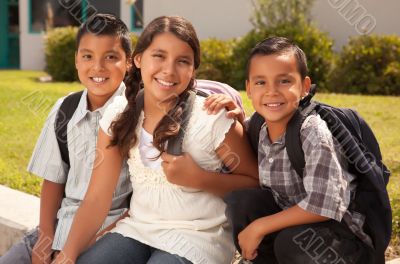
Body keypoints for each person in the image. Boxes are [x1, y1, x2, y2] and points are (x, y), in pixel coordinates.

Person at [53, 15, 258, 264]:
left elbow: (254, 184)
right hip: (138, 230)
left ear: (193, 69)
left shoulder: (211, 118)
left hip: (197, 238)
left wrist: (200, 179)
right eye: (159, 56)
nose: (169, 70)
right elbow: (97, 198)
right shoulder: (120, 113)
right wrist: (67, 254)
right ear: (138, 59)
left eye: (183, 61)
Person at [223, 36, 374, 264]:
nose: (271, 91)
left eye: (284, 81)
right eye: (260, 82)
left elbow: (325, 204)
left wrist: (259, 226)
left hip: (339, 238)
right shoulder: (257, 126)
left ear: (304, 87)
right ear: (249, 89)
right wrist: (229, 121)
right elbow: (233, 156)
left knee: (291, 242)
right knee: (241, 202)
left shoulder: (313, 131)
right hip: (292, 227)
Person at [0, 13, 133, 264]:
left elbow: (137, 206)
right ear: (76, 60)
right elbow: (53, 180)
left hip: (111, 233)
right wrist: (45, 238)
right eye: (88, 56)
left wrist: (77, 247)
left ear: (128, 63)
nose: (98, 67)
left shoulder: (135, 115)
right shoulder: (66, 109)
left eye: (111, 57)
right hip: (60, 226)